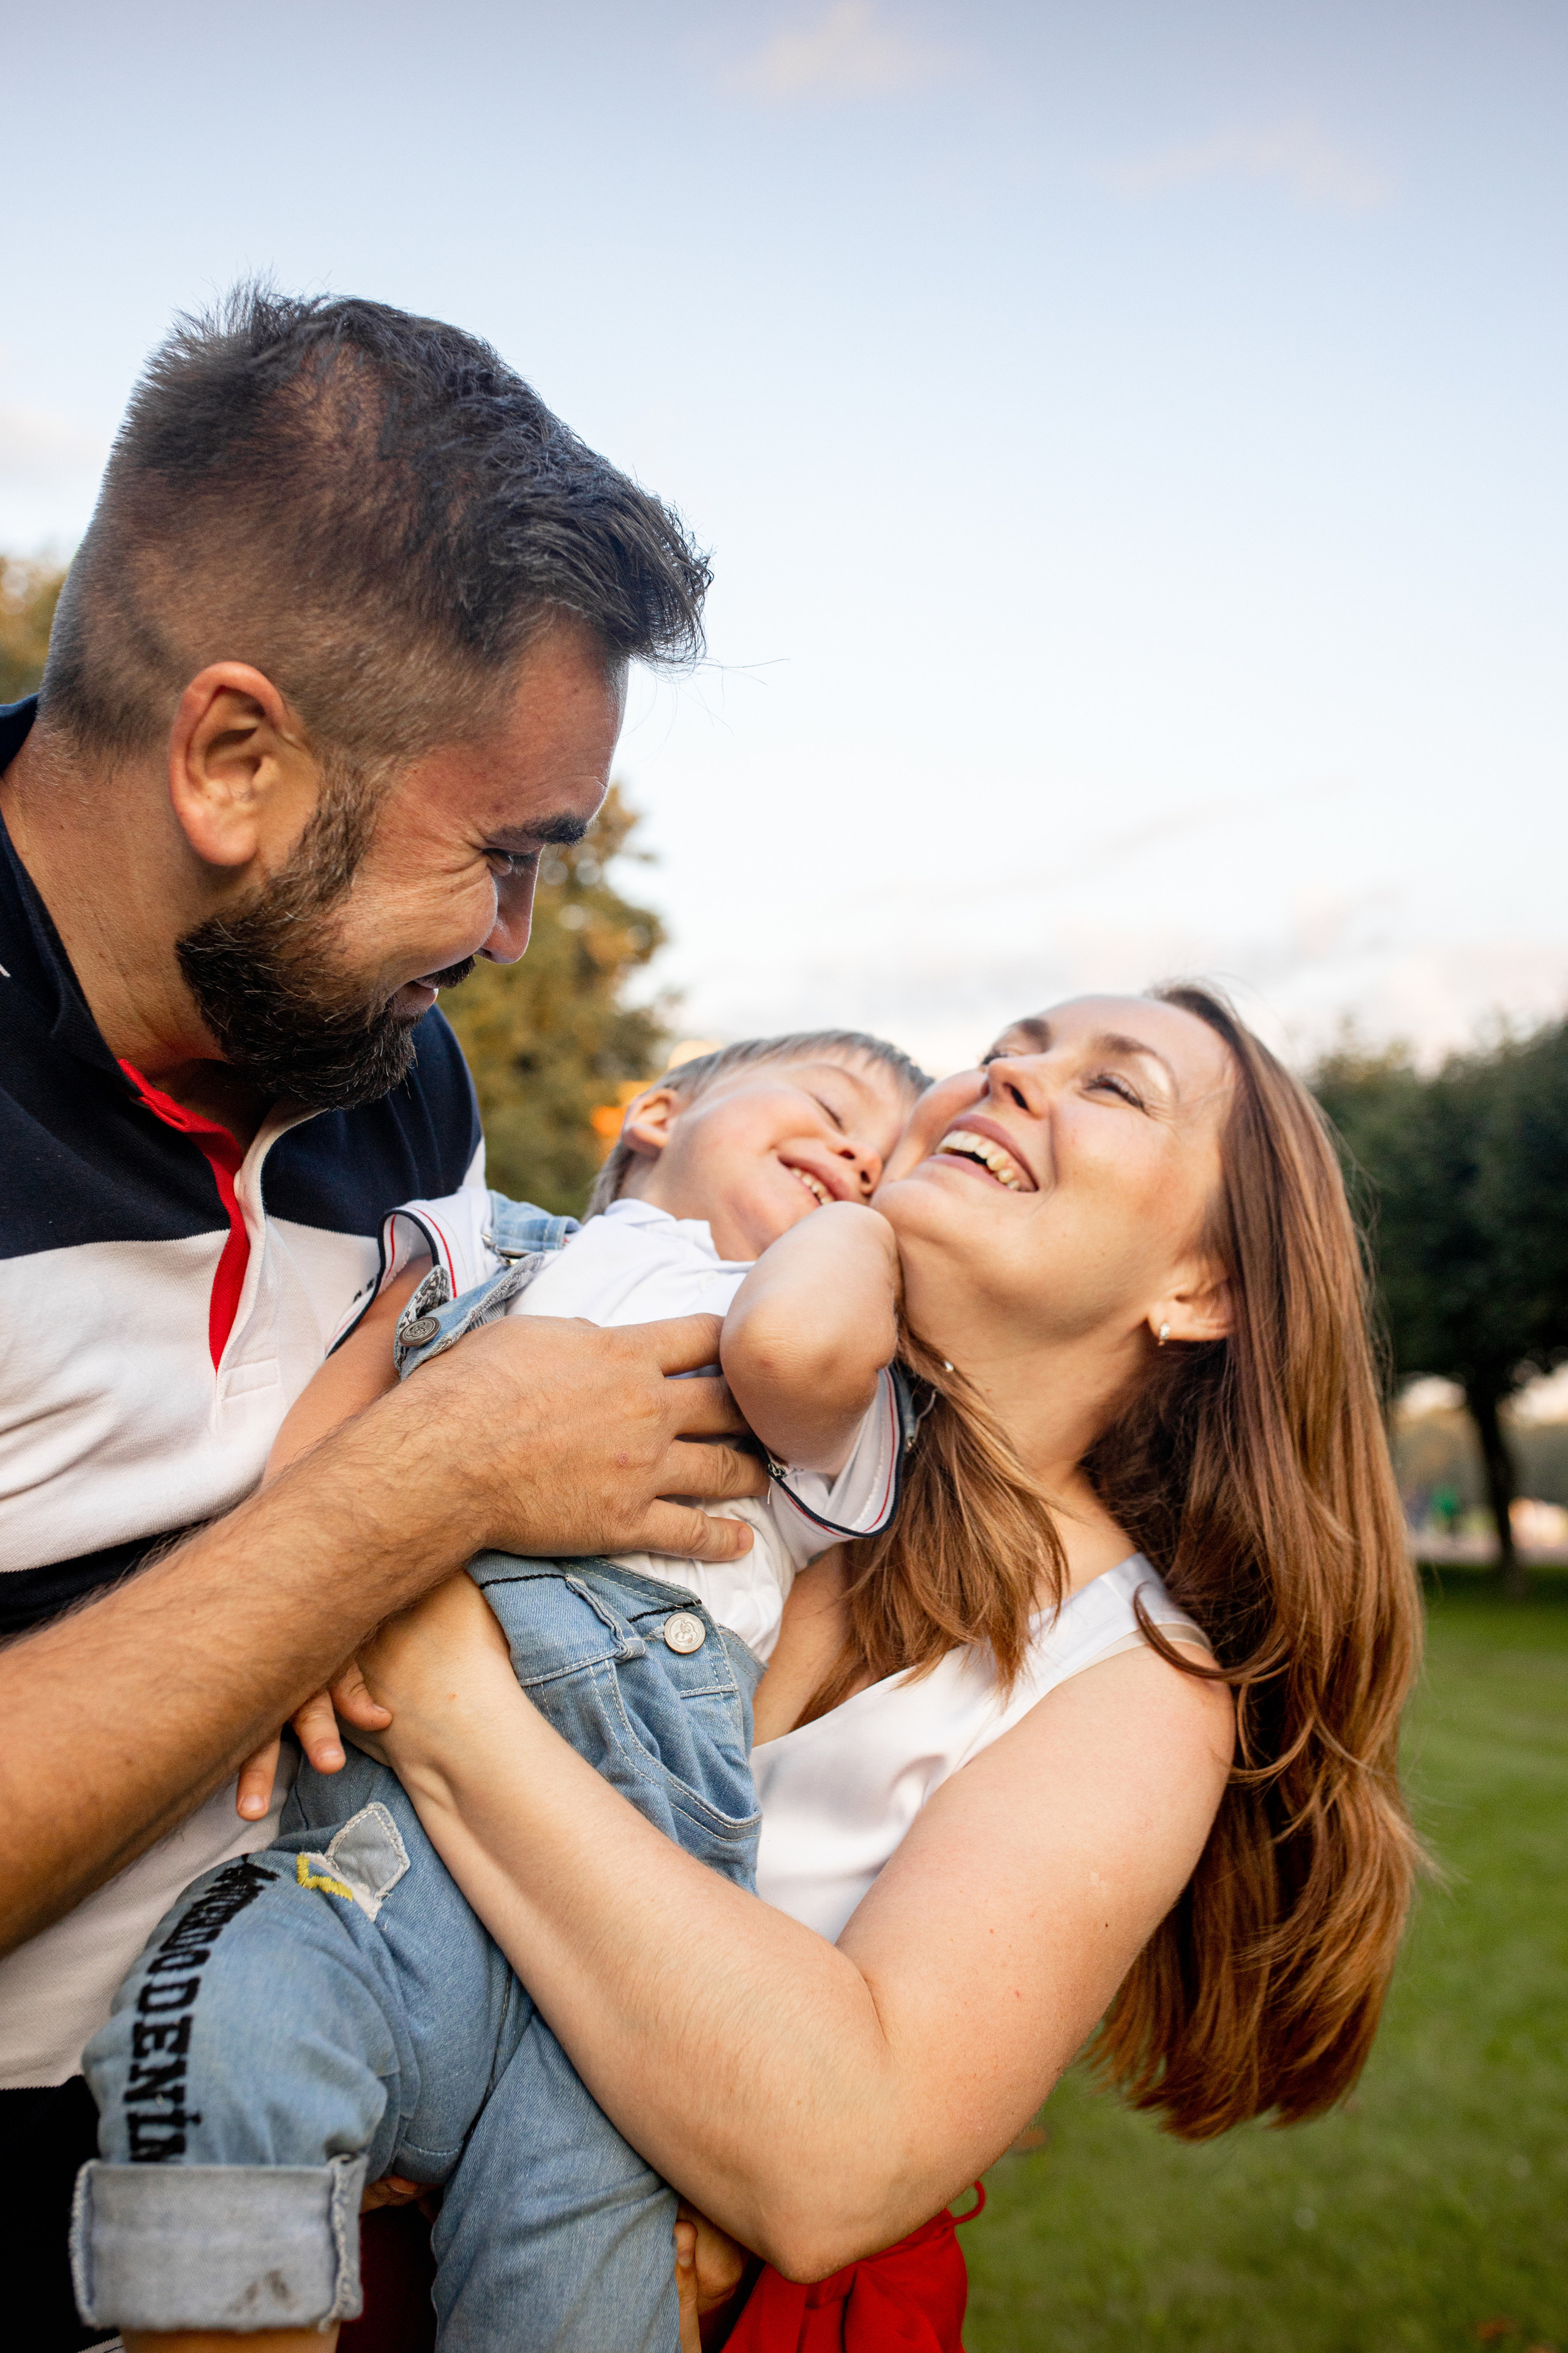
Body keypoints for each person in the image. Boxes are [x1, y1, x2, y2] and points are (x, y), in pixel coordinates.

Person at [255, 986, 1421, 2353]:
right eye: (1003, 1053)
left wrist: (443, 1693)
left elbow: (840, 2160)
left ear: (1201, 1287)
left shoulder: (1129, 1677)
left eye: (1112, 1085)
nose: (1008, 1077)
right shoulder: (678, 1368)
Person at [0, 285, 767, 2351]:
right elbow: (436, 1482)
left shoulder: (391, 1073)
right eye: (501, 855)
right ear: (233, 758)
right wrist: (438, 1472)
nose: (514, 937)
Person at [74, 1030, 930, 2349]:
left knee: (573, 2290)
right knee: (218, 2027)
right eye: (831, 1106)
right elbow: (340, 1420)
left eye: (889, 1164)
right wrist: (301, 1603)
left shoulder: (843, 1384)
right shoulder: (484, 1242)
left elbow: (794, 1346)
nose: (859, 1156)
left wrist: (859, 1236)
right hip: (373, 1862)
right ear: (656, 1111)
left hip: (622, 1951)